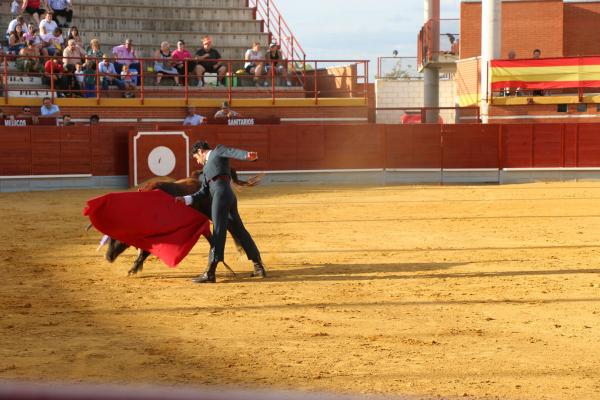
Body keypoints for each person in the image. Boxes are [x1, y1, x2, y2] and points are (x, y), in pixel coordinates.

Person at [175, 140, 266, 283]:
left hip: (221, 195)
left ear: (200, 151)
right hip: (228, 195)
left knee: (218, 231)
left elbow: (232, 151)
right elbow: (203, 192)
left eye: (196, 158)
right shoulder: (206, 170)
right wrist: (186, 199)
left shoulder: (217, 151)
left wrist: (247, 155)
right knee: (239, 230)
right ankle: (258, 266)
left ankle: (210, 272)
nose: (198, 162)